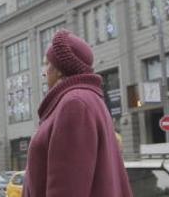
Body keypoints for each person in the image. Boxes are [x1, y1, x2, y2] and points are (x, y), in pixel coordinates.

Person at [23, 30, 132, 197]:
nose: (44, 72)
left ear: (60, 69)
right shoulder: (86, 99)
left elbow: (67, 187)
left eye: (47, 64)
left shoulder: (74, 104)